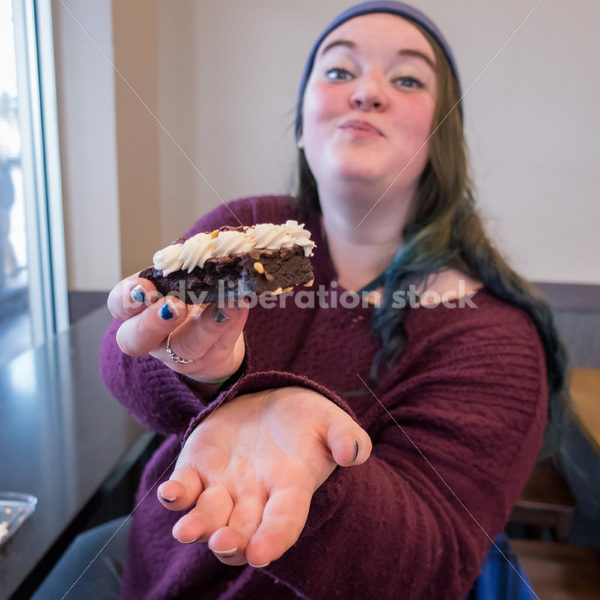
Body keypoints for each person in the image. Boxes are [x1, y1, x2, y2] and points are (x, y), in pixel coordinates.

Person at [33, 2, 569, 599]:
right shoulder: (248, 228)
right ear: (301, 124)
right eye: (339, 73)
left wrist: (318, 466)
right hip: (151, 560)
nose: (365, 92)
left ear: (445, 139)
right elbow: (123, 352)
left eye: (408, 79)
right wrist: (203, 369)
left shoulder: (495, 341)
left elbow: (429, 564)